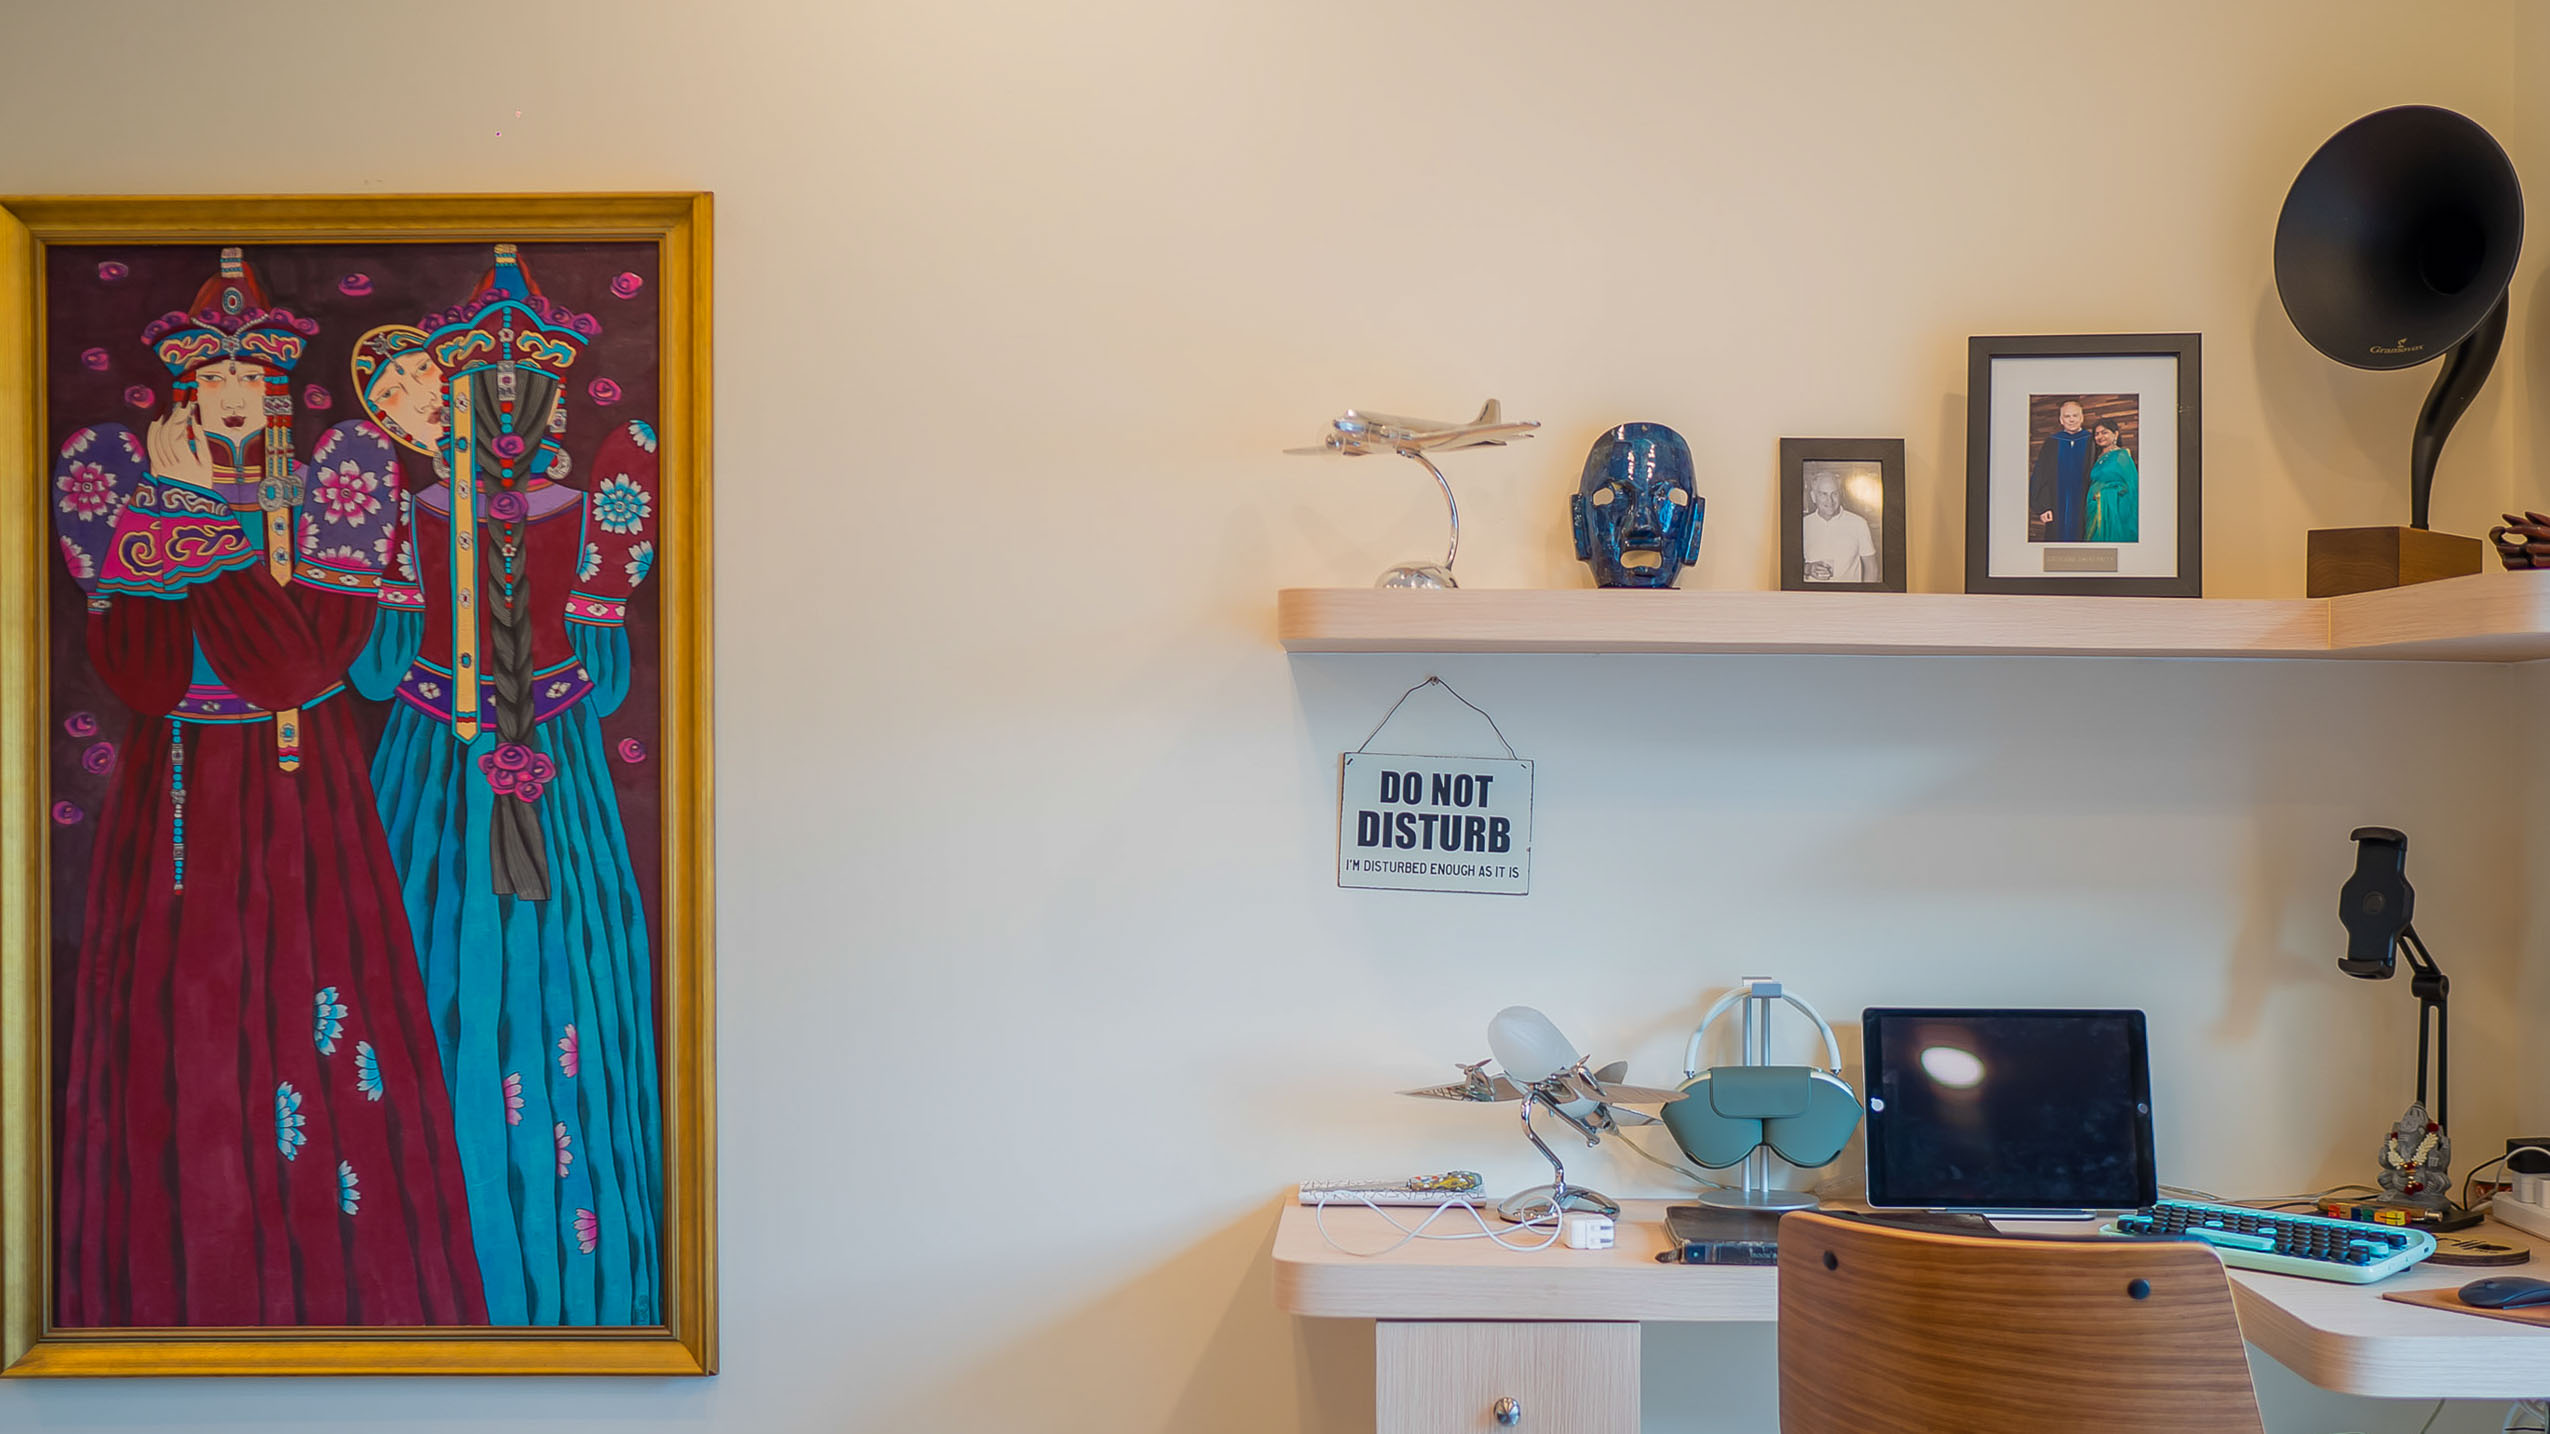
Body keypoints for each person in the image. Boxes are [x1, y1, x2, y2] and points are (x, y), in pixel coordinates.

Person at [48, 249, 483, 1326]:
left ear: (279, 386)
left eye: (252, 375)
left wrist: (189, 525)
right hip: (176, 785)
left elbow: (293, 666)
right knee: (178, 1029)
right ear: (187, 389)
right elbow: (142, 675)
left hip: (298, 785)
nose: (234, 394)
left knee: (309, 1002)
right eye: (215, 376)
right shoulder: (120, 476)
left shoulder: (340, 477)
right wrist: (174, 511)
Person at [348, 247, 664, 1326]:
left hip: (442, 763)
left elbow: (377, 675)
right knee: (535, 969)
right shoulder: (576, 509)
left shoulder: (417, 512)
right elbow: (604, 683)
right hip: (529, 768)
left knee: (457, 958)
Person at [2028, 400, 2096, 543]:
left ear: (2082, 418)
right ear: (2061, 420)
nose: (2071, 420)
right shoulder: (2052, 443)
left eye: (2075, 415)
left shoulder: (2092, 442)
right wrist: (2043, 507)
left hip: (2085, 504)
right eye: (2067, 416)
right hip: (2056, 505)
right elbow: (2040, 475)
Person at [1800, 469, 1877, 583]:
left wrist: (1864, 594)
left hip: (1848, 593)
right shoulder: (1803, 524)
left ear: (1840, 495)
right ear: (1813, 497)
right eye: (1823, 494)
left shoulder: (1859, 523)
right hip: (1812, 593)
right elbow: (1787, 565)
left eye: (1834, 493)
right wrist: (1808, 568)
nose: (1830, 500)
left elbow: (1871, 568)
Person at [2085, 418, 2139, 543]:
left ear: (2115, 434)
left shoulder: (2121, 455)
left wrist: (2103, 494)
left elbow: (2129, 486)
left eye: (2104, 432)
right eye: (2097, 434)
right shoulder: (2096, 457)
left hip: (2113, 509)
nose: (2100, 436)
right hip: (2094, 508)